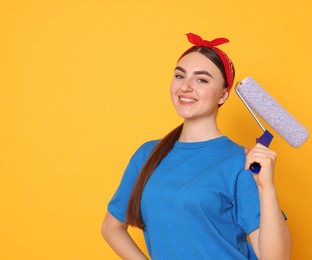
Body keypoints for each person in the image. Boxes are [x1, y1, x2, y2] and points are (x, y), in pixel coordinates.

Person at [101, 33, 292, 260]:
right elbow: (111, 227)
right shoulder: (147, 155)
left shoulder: (241, 162)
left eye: (201, 79)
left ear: (223, 94)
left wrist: (266, 187)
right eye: (180, 76)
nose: (186, 86)